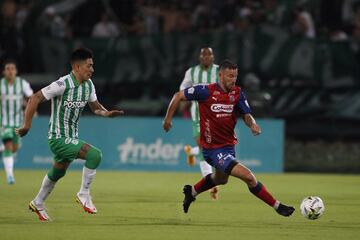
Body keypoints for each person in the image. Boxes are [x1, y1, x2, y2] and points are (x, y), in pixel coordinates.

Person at [163, 60, 295, 216]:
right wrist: (167, 119)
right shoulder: (206, 91)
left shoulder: (237, 93)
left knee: (220, 180)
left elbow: (246, 114)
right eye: (230, 76)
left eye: (235, 76)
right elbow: (178, 96)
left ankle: (191, 192)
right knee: (249, 177)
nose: (233, 79)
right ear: (220, 75)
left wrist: (252, 124)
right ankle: (278, 206)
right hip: (212, 149)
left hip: (228, 147)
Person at [16, 47, 123, 221]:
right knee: (95, 155)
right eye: (89, 66)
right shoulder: (62, 83)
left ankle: (38, 202)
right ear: (77, 67)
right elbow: (34, 98)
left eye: (92, 65)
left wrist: (107, 113)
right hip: (57, 138)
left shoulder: (88, 86)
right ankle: (84, 193)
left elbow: (95, 108)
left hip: (70, 137)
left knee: (58, 172)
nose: (92, 69)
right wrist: (27, 125)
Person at [179, 47, 219, 200]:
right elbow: (183, 88)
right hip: (198, 116)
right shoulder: (191, 72)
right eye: (204, 54)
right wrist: (186, 97)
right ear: (200, 57)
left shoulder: (219, 71)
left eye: (209, 54)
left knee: (211, 146)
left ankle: (191, 152)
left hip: (217, 116)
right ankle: (210, 183)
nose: (207, 57)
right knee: (204, 146)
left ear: (213, 57)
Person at [0, 59, 33, 184]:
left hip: (18, 122)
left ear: (16, 71)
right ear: (4, 72)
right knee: (8, 145)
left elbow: (31, 97)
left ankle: (3, 150)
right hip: (4, 122)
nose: (10, 71)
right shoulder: (1, 85)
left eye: (12, 69)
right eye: (7, 69)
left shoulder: (22, 84)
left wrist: (31, 110)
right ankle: (10, 175)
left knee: (14, 148)